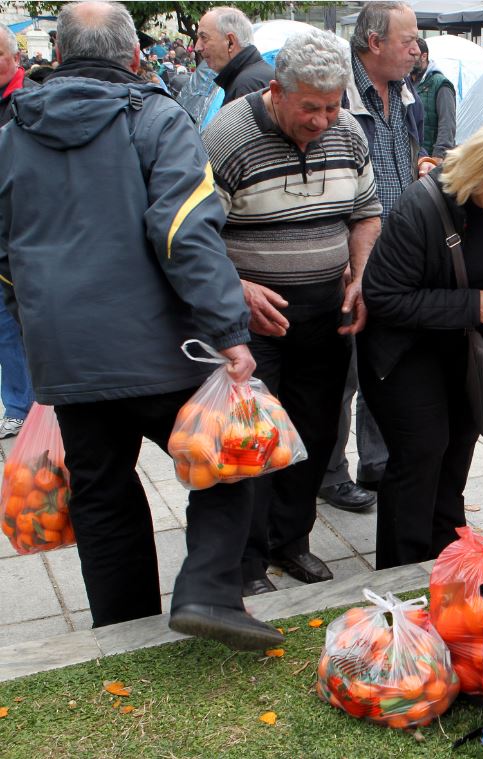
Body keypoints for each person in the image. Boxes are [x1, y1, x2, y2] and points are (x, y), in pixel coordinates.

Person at [0, 1, 282, 651]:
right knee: (231, 461)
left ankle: (122, 634)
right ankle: (208, 589)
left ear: (63, 57)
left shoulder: (14, 133)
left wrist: (38, 312)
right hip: (160, 345)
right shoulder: (157, 119)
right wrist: (229, 330)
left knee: (102, 494)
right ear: (133, 57)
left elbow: (4, 248)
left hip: (66, 357)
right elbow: (187, 232)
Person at [202, 29, 382, 596]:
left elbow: (366, 214)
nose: (323, 120)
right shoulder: (227, 136)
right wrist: (237, 288)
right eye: (310, 107)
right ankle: (247, 563)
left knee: (315, 433)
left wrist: (358, 276)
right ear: (277, 91)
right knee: (251, 443)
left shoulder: (347, 131)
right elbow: (191, 233)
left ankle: (291, 542)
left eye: (332, 107)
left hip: (324, 312)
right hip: (251, 321)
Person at [357, 120, 483, 568]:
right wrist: (470, 305)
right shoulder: (419, 207)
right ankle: (401, 574)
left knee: (456, 452)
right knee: (420, 454)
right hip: (406, 351)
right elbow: (382, 297)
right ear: (478, 175)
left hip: (469, 348)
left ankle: (448, 562)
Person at [319, 1, 426, 514]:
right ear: (374, 43)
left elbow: (401, 159)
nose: (416, 48)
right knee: (343, 372)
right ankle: (329, 472)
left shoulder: (407, 95)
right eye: (407, 39)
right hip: (347, 253)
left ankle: (377, 464)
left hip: (397, 255)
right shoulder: (335, 96)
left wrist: (419, 167)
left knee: (387, 363)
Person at [0, 25, 37, 439]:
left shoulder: (28, 100)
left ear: (15, 58)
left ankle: (21, 404)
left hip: (17, 232)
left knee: (15, 324)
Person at [195, 6, 273, 107]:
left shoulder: (244, 87)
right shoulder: (256, 74)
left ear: (230, 42)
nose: (197, 47)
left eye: (204, 37)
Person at [411, 36, 455, 158]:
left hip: (432, 158)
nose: (408, 59)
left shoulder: (441, 84)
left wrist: (438, 156)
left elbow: (447, 124)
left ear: (423, 56)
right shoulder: (405, 83)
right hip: (413, 157)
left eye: (413, 56)